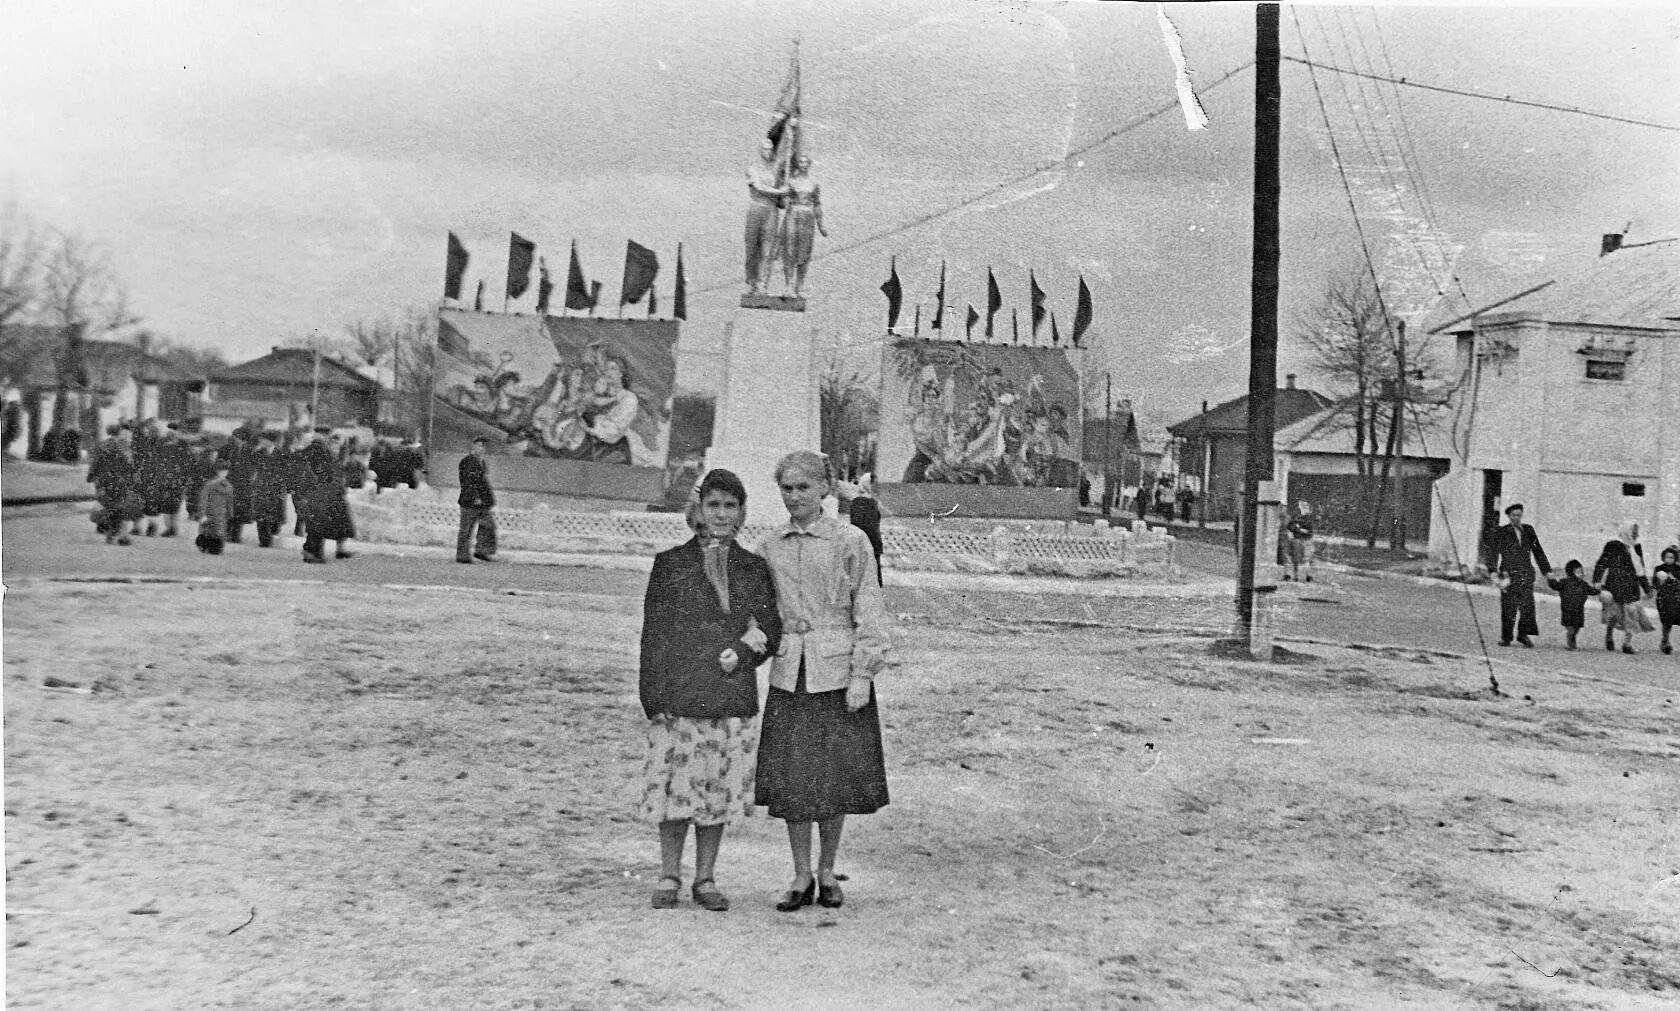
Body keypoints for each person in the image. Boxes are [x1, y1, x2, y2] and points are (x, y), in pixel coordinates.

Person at [639, 469, 782, 913]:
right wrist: (653, 697)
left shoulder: (754, 568)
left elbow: (770, 627)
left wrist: (743, 652)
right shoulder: (670, 563)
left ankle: (705, 876)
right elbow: (654, 635)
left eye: (730, 506)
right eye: (713, 504)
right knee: (675, 788)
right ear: (698, 509)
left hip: (726, 690)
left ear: (741, 514)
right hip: (679, 692)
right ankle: (669, 874)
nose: (721, 514)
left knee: (714, 789)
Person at [756, 451, 890, 912]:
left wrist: (862, 675)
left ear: (825, 490)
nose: (795, 497)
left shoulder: (850, 540)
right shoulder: (770, 544)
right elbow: (761, 609)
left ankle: (828, 869)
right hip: (790, 673)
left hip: (835, 675)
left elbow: (868, 610)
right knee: (794, 782)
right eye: (787, 489)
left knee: (832, 780)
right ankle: (799, 874)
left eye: (804, 488)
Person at [1485, 503, 1552, 647]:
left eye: (1519, 515)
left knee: (1527, 607)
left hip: (1526, 573)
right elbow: (1493, 554)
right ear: (1509, 516)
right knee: (1509, 607)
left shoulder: (1528, 531)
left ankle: (1523, 635)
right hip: (1508, 574)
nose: (1516, 518)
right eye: (1514, 515)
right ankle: (1506, 637)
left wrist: (1547, 571)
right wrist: (1493, 572)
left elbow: (1538, 551)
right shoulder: (1501, 532)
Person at [1592, 522, 1652, 654]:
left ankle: (1627, 643)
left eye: (1637, 532)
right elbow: (1602, 563)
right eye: (1634, 532)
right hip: (1615, 584)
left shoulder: (1637, 548)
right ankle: (1609, 634)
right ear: (1626, 531)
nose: (1636, 535)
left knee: (1632, 614)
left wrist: (1647, 589)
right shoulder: (1613, 545)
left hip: (1631, 586)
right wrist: (1596, 580)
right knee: (1613, 613)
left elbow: (1640, 570)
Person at [296, 431, 355, 563]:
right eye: (333, 442)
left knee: (324, 524)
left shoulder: (332, 457)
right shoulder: (320, 451)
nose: (335, 446)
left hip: (330, 494)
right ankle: (312, 553)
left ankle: (312, 552)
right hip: (321, 493)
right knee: (318, 524)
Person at [744, 137, 789, 295]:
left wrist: (784, 196)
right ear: (760, 150)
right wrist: (779, 192)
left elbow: (781, 202)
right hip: (756, 208)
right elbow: (758, 187)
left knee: (767, 250)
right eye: (765, 148)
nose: (768, 151)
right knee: (751, 248)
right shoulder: (753, 168)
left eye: (770, 149)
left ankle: (762, 284)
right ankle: (752, 282)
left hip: (771, 211)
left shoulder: (776, 172)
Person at [780, 154, 827, 298]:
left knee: (804, 253)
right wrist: (785, 196)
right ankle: (788, 286)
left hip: (807, 215)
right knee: (790, 251)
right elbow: (782, 203)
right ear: (797, 164)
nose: (803, 164)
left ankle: (799, 287)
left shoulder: (813, 184)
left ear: (809, 164)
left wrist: (821, 225)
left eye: (806, 162)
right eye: (800, 161)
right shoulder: (791, 182)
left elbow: (817, 204)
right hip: (793, 214)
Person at [88, 426, 140, 545]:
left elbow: (96, 462)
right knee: (121, 508)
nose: (128, 439)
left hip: (104, 482)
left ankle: (112, 532)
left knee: (111, 507)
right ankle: (121, 535)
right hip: (119, 484)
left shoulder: (103, 446)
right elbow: (129, 468)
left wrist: (91, 476)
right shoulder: (122, 450)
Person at [456, 437, 498, 564]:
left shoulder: (482, 462)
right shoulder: (468, 461)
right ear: (473, 446)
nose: (482, 448)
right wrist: (475, 497)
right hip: (471, 501)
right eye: (479, 445)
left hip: (483, 502)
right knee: (466, 529)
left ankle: (482, 551)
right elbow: (468, 482)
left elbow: (483, 482)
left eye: (484, 446)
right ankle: (462, 556)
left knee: (488, 525)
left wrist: (488, 498)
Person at [249, 431, 290, 547]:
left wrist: (284, 488)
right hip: (261, 488)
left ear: (270, 441)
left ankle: (273, 532)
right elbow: (251, 466)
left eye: (263, 439)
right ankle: (264, 541)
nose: (261, 441)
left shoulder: (282, 454)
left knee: (274, 515)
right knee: (261, 515)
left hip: (276, 488)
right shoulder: (258, 453)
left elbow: (287, 473)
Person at [1547, 560, 1600, 651]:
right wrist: (1551, 579)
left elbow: (1591, 591)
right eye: (1579, 572)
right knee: (1570, 627)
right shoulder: (1564, 582)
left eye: (1582, 572)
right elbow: (1555, 585)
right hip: (1567, 608)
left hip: (1579, 609)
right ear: (1571, 573)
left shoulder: (1583, 584)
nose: (1581, 574)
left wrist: (1597, 589)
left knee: (1577, 627)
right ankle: (1571, 641)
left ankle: (1572, 637)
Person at [842, 474, 884, 587]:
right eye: (872, 483)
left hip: (871, 540)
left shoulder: (871, 501)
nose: (875, 486)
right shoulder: (861, 501)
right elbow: (858, 523)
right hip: (866, 540)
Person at [195, 461, 233, 555]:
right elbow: (203, 500)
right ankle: (204, 544)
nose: (224, 473)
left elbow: (229, 502)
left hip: (221, 515)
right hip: (210, 513)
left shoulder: (228, 486)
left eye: (225, 471)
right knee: (207, 534)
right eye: (222, 471)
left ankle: (213, 546)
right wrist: (202, 514)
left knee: (218, 537)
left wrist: (229, 514)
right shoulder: (210, 485)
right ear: (217, 471)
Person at [1652, 545, 1680, 656]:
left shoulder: (1678, 569)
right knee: (1666, 620)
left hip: (1676, 598)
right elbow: (1654, 584)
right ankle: (1666, 641)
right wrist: (1660, 583)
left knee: (1674, 619)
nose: (1670, 559)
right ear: (1663, 557)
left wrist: (1673, 580)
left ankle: (1664, 640)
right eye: (1668, 557)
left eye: (1672, 557)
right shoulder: (1658, 568)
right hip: (1663, 598)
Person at [1283, 501, 1316, 583]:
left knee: (1306, 559)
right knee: (1297, 558)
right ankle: (1298, 576)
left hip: (1305, 540)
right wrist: (1300, 530)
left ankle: (1308, 576)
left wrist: (1298, 529)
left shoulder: (1308, 518)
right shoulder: (1296, 517)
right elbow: (1290, 527)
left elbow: (1309, 531)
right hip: (1298, 540)